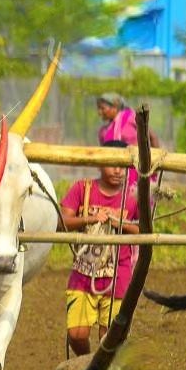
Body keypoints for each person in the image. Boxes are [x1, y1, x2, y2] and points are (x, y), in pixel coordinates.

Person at [59, 140, 141, 357]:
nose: (117, 170)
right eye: (111, 163)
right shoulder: (82, 188)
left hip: (118, 274)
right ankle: (85, 363)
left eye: (122, 165)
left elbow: (142, 232)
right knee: (76, 334)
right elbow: (62, 221)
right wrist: (91, 218)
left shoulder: (133, 197)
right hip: (84, 271)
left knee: (110, 336)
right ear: (98, 163)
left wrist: (118, 224)